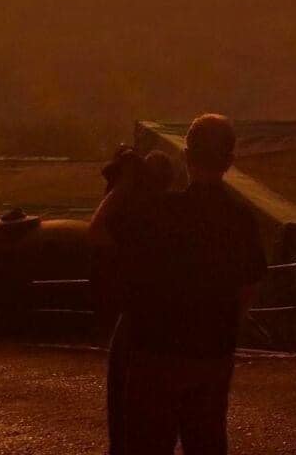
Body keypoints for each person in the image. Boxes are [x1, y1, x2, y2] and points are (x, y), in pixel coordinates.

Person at [90, 114, 267, 455]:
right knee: (207, 442)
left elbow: (98, 232)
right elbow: (250, 283)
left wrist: (126, 183)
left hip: (155, 351)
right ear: (229, 161)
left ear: (186, 155)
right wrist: (228, 325)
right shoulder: (240, 218)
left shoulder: (160, 212)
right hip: (212, 354)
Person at [100, 148, 175, 455]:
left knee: (124, 400)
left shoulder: (141, 217)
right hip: (170, 319)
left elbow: (96, 231)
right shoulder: (176, 212)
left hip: (135, 318)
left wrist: (121, 186)